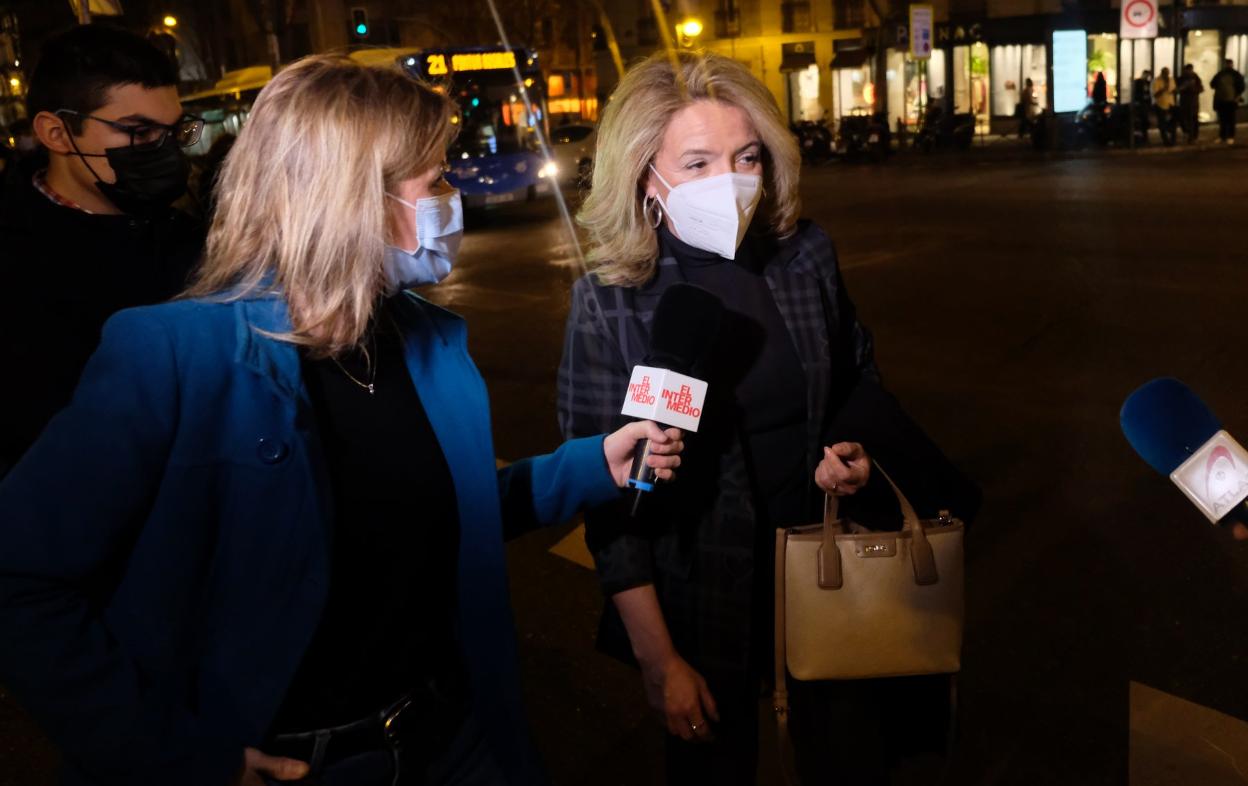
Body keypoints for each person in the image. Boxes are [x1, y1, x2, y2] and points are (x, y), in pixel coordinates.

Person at [0, 54, 685, 786]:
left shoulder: (426, 339)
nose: (453, 198)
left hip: (446, 736)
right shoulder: (170, 355)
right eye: (438, 178)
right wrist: (170, 756)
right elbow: (20, 583)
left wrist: (588, 465)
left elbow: (430, 511)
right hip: (290, 763)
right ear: (349, 194)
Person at [558, 51, 967, 785]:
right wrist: (659, 662)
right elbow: (609, 508)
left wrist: (855, 457)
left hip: (828, 569)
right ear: (643, 175)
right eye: (698, 162)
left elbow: (855, 376)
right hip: (699, 603)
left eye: (746, 156)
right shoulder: (610, 299)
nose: (730, 182)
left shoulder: (804, 255)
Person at [0, 24, 205, 476]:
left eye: (174, 131)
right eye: (139, 131)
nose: (164, 150)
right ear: (56, 133)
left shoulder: (198, 242)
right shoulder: (13, 261)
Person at [1210, 58, 1245, 144]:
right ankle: (1223, 136)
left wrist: (1237, 97)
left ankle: (1230, 136)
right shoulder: (1221, 74)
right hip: (1222, 100)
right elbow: (1212, 84)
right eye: (1227, 64)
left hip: (1231, 100)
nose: (1228, 66)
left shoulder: (1235, 75)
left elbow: (1241, 86)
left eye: (1229, 64)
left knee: (1230, 119)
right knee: (1223, 120)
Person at [1178, 63, 1204, 143]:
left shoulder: (1196, 77)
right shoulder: (1181, 78)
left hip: (1193, 102)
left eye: (1190, 70)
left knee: (1193, 119)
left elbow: (1201, 89)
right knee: (1184, 119)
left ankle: (1193, 136)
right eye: (1188, 70)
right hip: (1184, 102)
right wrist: (1184, 86)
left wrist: (1194, 88)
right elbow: (1177, 89)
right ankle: (1188, 133)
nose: (1189, 72)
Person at [1153, 67, 1177, 146]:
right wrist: (1163, 89)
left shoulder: (1171, 79)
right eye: (1165, 73)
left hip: (1171, 103)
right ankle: (1165, 141)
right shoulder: (1157, 81)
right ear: (1162, 73)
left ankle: (1173, 140)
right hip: (1161, 104)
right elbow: (1155, 95)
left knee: (1173, 123)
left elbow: (1173, 90)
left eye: (1168, 73)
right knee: (1162, 123)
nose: (1167, 75)